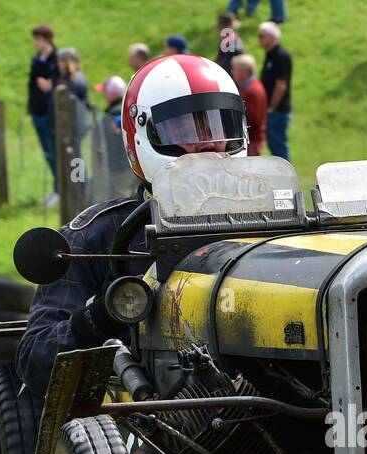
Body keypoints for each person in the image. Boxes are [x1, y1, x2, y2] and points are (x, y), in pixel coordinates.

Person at [19, 53, 251, 399]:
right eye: (187, 128)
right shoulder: (97, 236)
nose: (209, 144)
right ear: (141, 135)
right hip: (151, 425)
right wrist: (103, 314)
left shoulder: (283, 225)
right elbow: (35, 358)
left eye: (220, 126)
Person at [28, 24, 59, 198]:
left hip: (51, 112)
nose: (36, 43)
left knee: (55, 152)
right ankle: (56, 189)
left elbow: (61, 82)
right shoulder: (36, 59)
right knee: (48, 153)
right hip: (37, 111)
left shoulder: (56, 58)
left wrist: (51, 86)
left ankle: (60, 190)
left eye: (38, 39)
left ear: (46, 39)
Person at [258, 22, 291, 162]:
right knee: (274, 146)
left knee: (278, 148)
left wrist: (271, 108)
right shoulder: (270, 54)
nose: (259, 39)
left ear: (272, 36)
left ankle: (288, 181)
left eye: (262, 35)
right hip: (272, 110)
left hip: (277, 111)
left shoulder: (280, 56)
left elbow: (281, 85)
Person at [231, 54, 265, 157]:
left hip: (252, 142)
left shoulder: (251, 91)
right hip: (252, 140)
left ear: (244, 71)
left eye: (235, 69)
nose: (232, 72)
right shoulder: (253, 86)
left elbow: (252, 119)